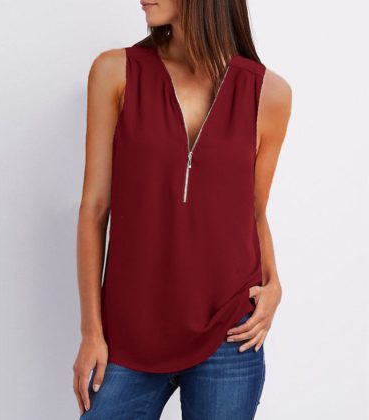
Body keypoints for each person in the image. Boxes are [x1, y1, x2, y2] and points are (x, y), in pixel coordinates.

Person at [73, 0, 292, 418]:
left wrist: (274, 282)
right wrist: (91, 333)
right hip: (128, 335)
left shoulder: (269, 93)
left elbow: (253, 210)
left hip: (229, 333)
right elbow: (94, 208)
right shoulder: (116, 72)